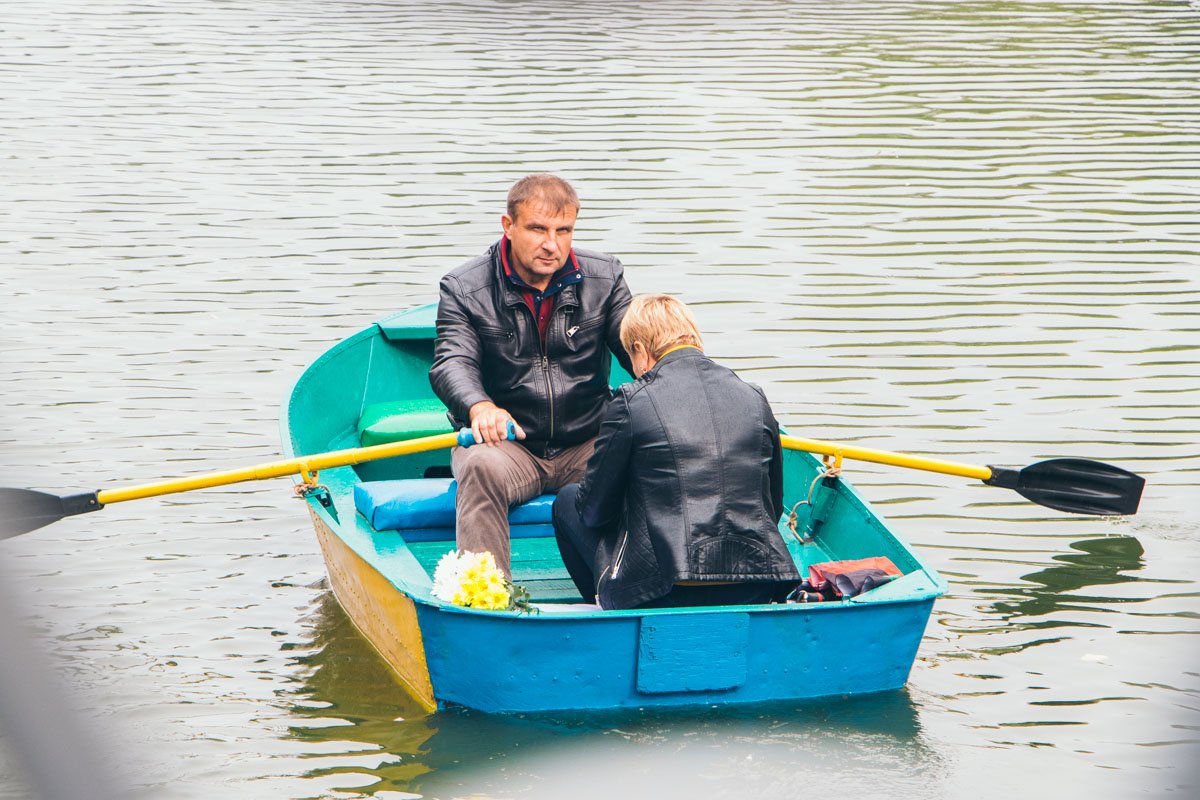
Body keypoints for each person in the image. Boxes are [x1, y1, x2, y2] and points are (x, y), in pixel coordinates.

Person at [429, 174, 633, 576]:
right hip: (507, 445)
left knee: (651, 455)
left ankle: (642, 586)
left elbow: (639, 348)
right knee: (479, 467)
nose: (552, 244)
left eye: (564, 231)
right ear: (508, 226)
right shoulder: (463, 288)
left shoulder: (606, 278)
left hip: (588, 442)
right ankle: (486, 594)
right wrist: (480, 407)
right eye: (538, 229)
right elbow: (452, 361)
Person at [552, 294, 801, 610]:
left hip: (662, 591)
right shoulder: (753, 396)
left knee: (567, 501)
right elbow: (772, 505)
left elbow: (594, 511)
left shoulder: (631, 399)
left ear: (640, 351)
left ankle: (605, 609)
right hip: (757, 584)